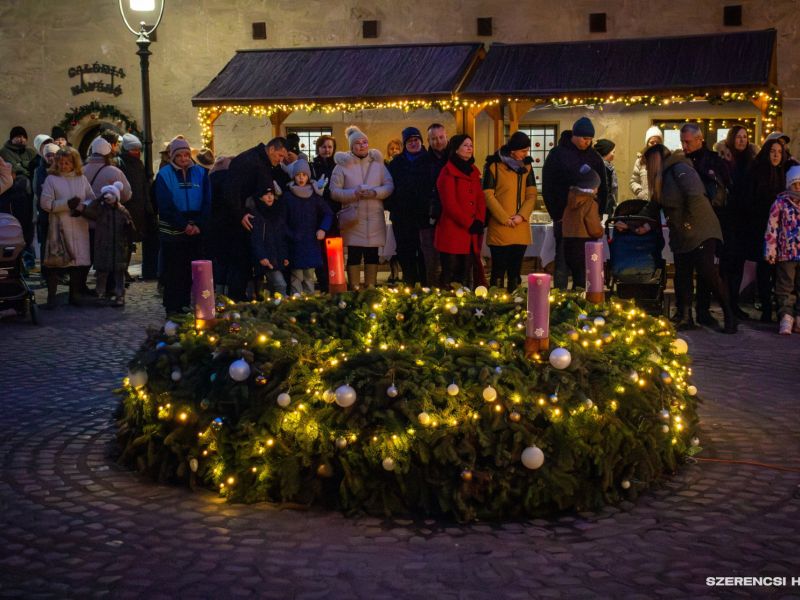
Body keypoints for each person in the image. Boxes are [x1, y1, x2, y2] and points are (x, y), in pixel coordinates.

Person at [622, 144, 736, 333]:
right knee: (682, 275)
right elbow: (653, 206)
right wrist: (631, 223)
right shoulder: (662, 179)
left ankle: (729, 315)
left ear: (656, 160)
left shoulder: (679, 169)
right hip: (683, 234)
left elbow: (695, 197)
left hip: (699, 231)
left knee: (708, 274)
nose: (647, 169)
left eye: (648, 164)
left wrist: (688, 224)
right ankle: (685, 317)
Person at [541, 116, 608, 289]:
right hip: (563, 216)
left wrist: (598, 213)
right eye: (585, 138)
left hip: (586, 219)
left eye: (590, 139)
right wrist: (556, 214)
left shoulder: (594, 158)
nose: (588, 142)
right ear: (575, 135)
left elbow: (604, 187)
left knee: (583, 264)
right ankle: (560, 298)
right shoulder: (557, 155)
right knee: (562, 261)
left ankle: (581, 297)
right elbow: (548, 186)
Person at [679, 122, 733, 329]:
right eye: (682, 141)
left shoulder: (713, 161)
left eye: (688, 142)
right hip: (686, 222)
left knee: (707, 270)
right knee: (685, 269)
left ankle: (706, 311)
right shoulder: (681, 161)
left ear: (699, 139)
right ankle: (687, 314)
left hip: (709, 220)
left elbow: (723, 188)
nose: (684, 145)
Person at [329, 126, 394, 290]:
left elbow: (389, 186)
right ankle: (355, 289)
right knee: (354, 254)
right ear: (351, 146)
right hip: (353, 219)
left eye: (364, 142)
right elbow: (334, 192)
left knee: (372, 255)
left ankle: (371, 288)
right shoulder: (342, 166)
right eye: (357, 143)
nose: (362, 145)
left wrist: (374, 192)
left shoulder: (378, 165)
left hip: (374, 217)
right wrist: (354, 193)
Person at [225, 137, 288, 300]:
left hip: (258, 218)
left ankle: (256, 298)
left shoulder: (263, 163)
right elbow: (233, 191)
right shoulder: (249, 161)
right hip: (243, 220)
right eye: (279, 156)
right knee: (241, 262)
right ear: (272, 149)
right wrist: (240, 214)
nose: (280, 160)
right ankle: (237, 300)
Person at [154, 137, 211, 314]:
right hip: (173, 230)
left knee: (192, 271)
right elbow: (164, 204)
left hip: (196, 229)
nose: (184, 158)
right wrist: (182, 225)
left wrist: (199, 224)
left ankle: (191, 305)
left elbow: (207, 200)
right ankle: (173, 307)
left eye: (187, 155)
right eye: (180, 155)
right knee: (174, 271)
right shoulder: (164, 175)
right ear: (173, 157)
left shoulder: (201, 173)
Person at [38, 146, 95, 308]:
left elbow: (91, 198)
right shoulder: (51, 180)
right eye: (61, 163)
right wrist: (66, 204)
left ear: (74, 163)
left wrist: (82, 208)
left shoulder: (81, 179)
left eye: (67, 163)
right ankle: (51, 297)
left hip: (78, 225)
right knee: (55, 263)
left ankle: (74, 295)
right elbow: (45, 203)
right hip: (59, 227)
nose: (64, 166)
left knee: (77, 263)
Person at [482, 131, 537, 291]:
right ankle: (496, 304)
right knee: (498, 271)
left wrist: (521, 216)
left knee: (515, 272)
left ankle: (515, 303)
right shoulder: (493, 165)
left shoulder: (527, 166)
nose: (526, 154)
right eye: (523, 151)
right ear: (513, 150)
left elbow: (531, 194)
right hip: (500, 227)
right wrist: (504, 218)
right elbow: (487, 194)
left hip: (520, 227)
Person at [386, 126, 438, 286]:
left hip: (424, 216)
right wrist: (392, 205)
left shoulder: (430, 160)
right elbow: (389, 186)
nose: (413, 143)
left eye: (416, 139)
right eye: (410, 140)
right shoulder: (397, 163)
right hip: (402, 216)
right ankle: (409, 283)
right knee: (405, 252)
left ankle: (425, 285)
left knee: (424, 252)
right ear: (405, 143)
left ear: (421, 141)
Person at [434, 134, 487, 288]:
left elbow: (479, 199)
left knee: (466, 273)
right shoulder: (447, 172)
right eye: (465, 145)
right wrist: (469, 222)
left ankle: (465, 305)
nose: (470, 148)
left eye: (471, 145)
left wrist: (479, 219)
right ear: (456, 149)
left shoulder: (473, 171)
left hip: (470, 233)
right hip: (452, 232)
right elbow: (450, 204)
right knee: (450, 273)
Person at [83, 136, 133, 296]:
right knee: (110, 255)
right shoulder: (114, 172)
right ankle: (111, 288)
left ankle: (91, 287)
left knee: (89, 256)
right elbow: (126, 195)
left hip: (86, 220)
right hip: (108, 224)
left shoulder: (81, 170)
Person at [748, 139, 789, 322]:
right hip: (762, 228)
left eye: (779, 152)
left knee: (781, 272)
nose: (776, 155)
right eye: (773, 151)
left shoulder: (785, 174)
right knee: (764, 269)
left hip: (783, 231)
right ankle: (765, 308)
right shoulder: (758, 172)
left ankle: (781, 309)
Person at [719, 125, 757, 319]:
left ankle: (735, 302)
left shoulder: (751, 161)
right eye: (739, 137)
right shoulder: (725, 160)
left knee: (739, 265)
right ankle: (727, 304)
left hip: (745, 220)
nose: (742, 140)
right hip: (728, 219)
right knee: (728, 264)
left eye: (745, 136)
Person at [284, 159, 333, 294]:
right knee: (296, 276)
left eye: (304, 175)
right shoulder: (288, 197)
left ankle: (309, 302)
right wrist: (290, 234)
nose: (301, 177)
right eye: (298, 174)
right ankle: (296, 301)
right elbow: (282, 220)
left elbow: (328, 213)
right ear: (294, 176)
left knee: (309, 276)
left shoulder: (314, 196)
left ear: (308, 176)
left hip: (311, 240)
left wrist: (323, 228)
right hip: (294, 242)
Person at [84, 181, 133, 306]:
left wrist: (129, 227)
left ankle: (119, 295)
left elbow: (132, 227)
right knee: (102, 273)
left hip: (119, 247)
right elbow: (88, 211)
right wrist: (98, 199)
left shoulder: (122, 211)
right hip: (103, 247)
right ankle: (100, 294)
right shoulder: (100, 210)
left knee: (119, 274)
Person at [765, 166, 800, 335]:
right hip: (786, 252)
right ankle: (786, 315)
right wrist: (771, 250)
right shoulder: (781, 203)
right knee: (785, 286)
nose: (798, 188)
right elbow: (772, 227)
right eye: (795, 184)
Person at [119, 133, 156, 280]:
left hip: (138, 208)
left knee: (129, 240)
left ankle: (124, 270)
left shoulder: (138, 164)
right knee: (125, 241)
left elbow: (143, 186)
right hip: (129, 207)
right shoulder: (122, 164)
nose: (137, 153)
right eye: (134, 150)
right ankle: (122, 270)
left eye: (138, 150)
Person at [561, 165, 604, 289]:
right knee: (585, 280)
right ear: (591, 187)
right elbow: (594, 228)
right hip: (584, 245)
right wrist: (600, 232)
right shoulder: (590, 203)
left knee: (576, 277)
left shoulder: (570, 201)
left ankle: (574, 299)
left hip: (569, 243)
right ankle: (582, 303)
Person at [250, 187, 289, 297]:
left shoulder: (277, 214)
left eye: (271, 194)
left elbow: (282, 238)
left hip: (277, 258)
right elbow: (256, 239)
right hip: (267, 259)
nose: (270, 197)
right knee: (280, 285)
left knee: (273, 288)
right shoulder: (257, 215)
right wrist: (261, 257)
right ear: (261, 197)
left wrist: (284, 256)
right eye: (266, 194)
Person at [311, 134, 337, 292]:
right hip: (317, 213)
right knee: (319, 250)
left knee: (333, 249)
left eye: (330, 147)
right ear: (318, 148)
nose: (327, 150)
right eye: (324, 147)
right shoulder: (313, 165)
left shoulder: (337, 165)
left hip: (333, 210)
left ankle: (334, 281)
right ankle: (323, 283)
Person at [423, 123, 449, 281]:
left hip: (451, 216)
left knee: (450, 260)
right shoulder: (424, 162)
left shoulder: (455, 158)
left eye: (441, 137)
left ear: (446, 136)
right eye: (434, 139)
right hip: (430, 217)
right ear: (428, 140)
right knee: (431, 260)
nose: (438, 141)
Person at [206, 155, 232, 292]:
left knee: (217, 261)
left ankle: (217, 290)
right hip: (229, 225)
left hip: (213, 225)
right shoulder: (230, 179)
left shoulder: (209, 179)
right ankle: (226, 292)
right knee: (228, 260)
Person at [629, 126, 663, 201]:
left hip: (662, 205)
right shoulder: (640, 161)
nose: (655, 145)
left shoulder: (667, 160)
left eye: (658, 142)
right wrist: (640, 192)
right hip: (644, 203)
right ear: (647, 144)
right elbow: (633, 181)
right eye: (652, 142)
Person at [594, 138, 617, 216]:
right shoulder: (603, 168)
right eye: (613, 152)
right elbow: (607, 190)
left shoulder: (608, 166)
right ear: (606, 152)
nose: (614, 154)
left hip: (606, 205)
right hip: (603, 206)